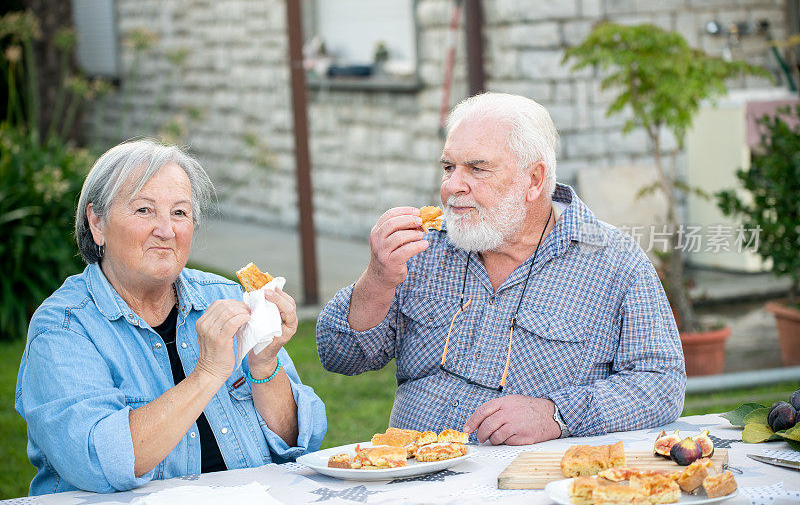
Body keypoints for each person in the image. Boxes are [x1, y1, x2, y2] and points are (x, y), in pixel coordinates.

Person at [316, 92, 685, 446]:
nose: (452, 186)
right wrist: (378, 278)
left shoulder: (615, 263)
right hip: (410, 473)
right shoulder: (422, 245)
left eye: (477, 169)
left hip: (525, 483)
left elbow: (662, 384)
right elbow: (339, 356)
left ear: (535, 180)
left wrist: (557, 415)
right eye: (448, 167)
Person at [15, 140, 326, 495]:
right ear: (97, 223)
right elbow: (99, 464)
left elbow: (300, 444)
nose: (166, 230)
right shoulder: (65, 328)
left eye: (179, 213)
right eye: (144, 210)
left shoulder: (225, 297)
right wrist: (207, 373)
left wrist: (263, 365)